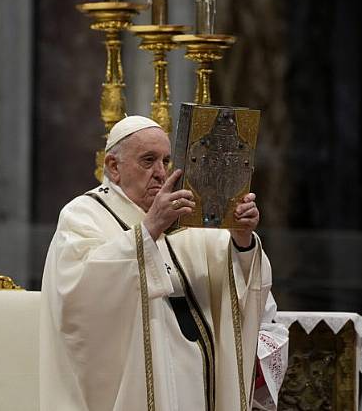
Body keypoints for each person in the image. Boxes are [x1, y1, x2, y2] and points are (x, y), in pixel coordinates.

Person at [40, 115, 272, 411]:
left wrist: (241, 238)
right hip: (133, 384)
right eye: (148, 161)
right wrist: (149, 229)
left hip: (198, 383)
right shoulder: (84, 215)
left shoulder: (185, 218)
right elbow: (78, 294)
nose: (161, 173)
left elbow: (232, 275)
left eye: (166, 161)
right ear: (114, 166)